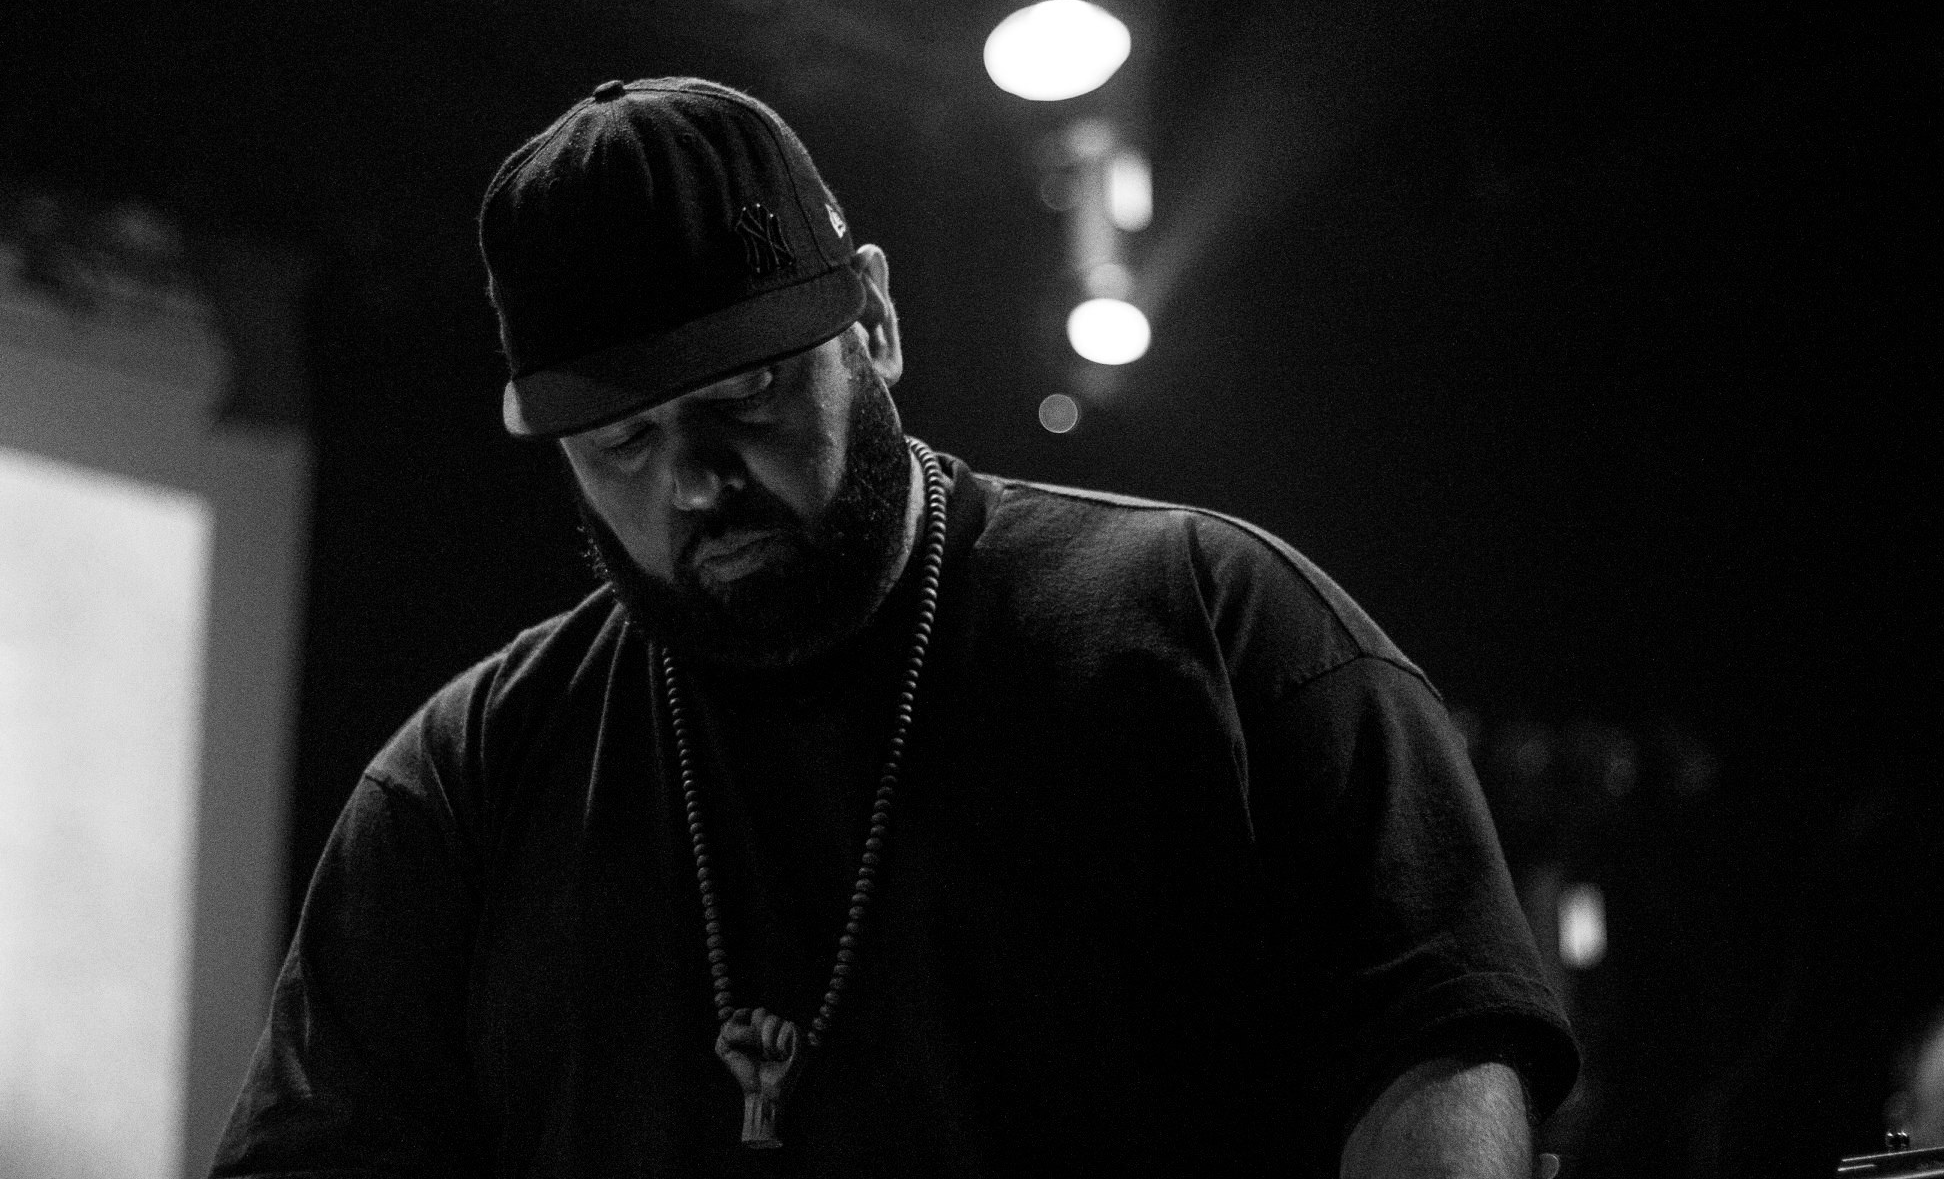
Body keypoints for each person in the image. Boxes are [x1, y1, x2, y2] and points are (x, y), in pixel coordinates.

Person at [211, 76, 1577, 1179]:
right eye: (621, 442)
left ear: (873, 318)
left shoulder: (1222, 630)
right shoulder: (466, 787)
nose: (694, 482)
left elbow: (1436, 1057)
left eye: (745, 393)